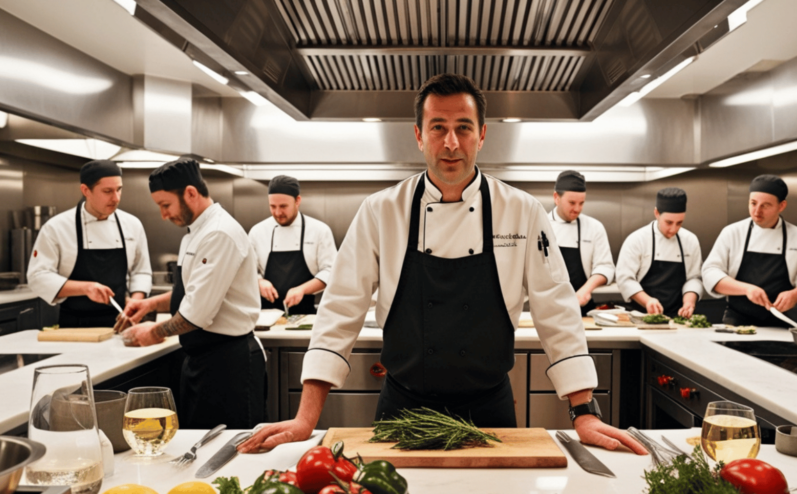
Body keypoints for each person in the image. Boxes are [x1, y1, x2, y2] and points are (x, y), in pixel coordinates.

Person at [238, 74, 646, 455]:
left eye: (464, 127)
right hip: (403, 411)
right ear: (419, 135)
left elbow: (557, 310)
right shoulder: (381, 211)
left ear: (482, 135)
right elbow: (341, 307)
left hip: (490, 413)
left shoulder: (521, 211)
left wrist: (584, 413)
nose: (451, 142)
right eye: (438, 127)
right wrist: (306, 417)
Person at [120, 158, 266, 429]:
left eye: (166, 205)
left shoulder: (218, 233)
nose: (163, 215)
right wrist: (151, 303)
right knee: (201, 448)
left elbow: (196, 314)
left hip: (228, 366)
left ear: (190, 193)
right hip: (204, 361)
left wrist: (152, 332)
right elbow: (194, 291)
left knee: (225, 453)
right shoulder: (196, 232)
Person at [27, 160, 151, 327]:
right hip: (75, 325)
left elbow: (141, 271)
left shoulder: (132, 224)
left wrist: (135, 304)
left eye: (119, 190)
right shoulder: (57, 227)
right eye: (107, 191)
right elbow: (38, 276)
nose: (116, 198)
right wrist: (86, 288)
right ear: (86, 190)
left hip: (122, 323)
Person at [702, 175, 797, 327]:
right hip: (738, 321)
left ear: (781, 206)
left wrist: (796, 294)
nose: (757, 211)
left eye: (765, 205)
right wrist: (746, 289)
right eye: (753, 203)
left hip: (784, 322)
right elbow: (710, 271)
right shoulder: (732, 232)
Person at [248, 176, 337, 315]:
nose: (277, 213)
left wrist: (302, 289)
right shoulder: (257, 232)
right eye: (272, 206)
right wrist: (259, 282)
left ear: (298, 201)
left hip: (305, 314)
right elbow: (247, 271)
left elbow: (331, 271)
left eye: (283, 206)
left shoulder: (319, 230)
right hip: (265, 316)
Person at [615, 188, 703, 318]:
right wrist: (647, 301)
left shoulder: (690, 240)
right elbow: (625, 279)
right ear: (656, 213)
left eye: (679, 223)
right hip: (642, 316)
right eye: (668, 222)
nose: (673, 229)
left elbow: (694, 278)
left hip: (677, 317)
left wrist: (689, 302)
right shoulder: (637, 239)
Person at [548, 170, 615, 316]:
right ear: (556, 198)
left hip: (582, 308)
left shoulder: (594, 227)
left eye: (581, 203)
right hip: (548, 307)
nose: (577, 209)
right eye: (572, 203)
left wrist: (586, 289)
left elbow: (606, 266)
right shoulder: (541, 225)